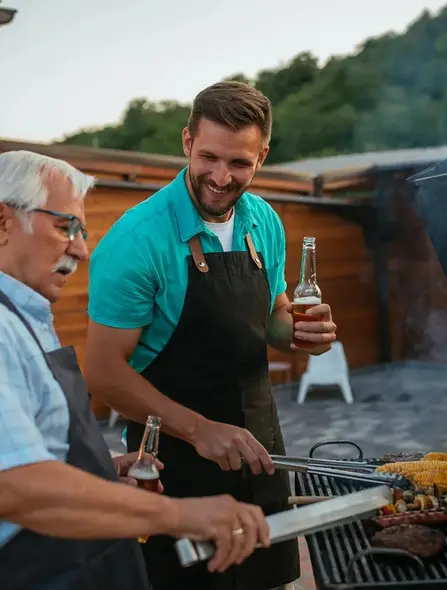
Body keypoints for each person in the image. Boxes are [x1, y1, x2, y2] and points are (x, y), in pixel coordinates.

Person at [0, 150, 271, 590]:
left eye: (81, 231)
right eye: (64, 227)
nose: (81, 248)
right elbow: (9, 486)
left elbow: (24, 445)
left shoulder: (13, 316)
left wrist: (100, 467)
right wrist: (181, 515)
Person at [84, 81, 339, 590]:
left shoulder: (263, 220)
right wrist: (201, 431)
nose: (222, 178)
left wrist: (303, 334)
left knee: (268, 579)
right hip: (171, 460)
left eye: (240, 163)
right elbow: (106, 376)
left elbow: (273, 316)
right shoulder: (136, 242)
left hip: (260, 445)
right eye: (209, 157)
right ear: (186, 143)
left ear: (262, 156)